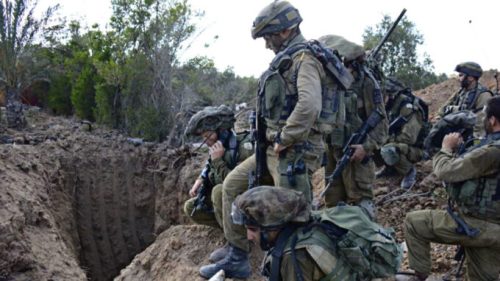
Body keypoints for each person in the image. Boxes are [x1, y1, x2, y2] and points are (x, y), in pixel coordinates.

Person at [199, 1, 334, 278]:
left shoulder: (305, 60)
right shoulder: (287, 60)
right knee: (231, 187)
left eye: (268, 36)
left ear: (285, 31)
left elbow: (310, 105)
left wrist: (286, 136)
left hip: (293, 151)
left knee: (290, 215)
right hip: (272, 150)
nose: (267, 44)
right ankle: (237, 255)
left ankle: (291, 267)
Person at [402, 96, 500, 281]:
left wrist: (446, 149)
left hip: (476, 225)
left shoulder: (492, 151)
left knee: (414, 222)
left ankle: (419, 276)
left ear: (493, 120)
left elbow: (445, 171)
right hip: (494, 231)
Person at [232, 185, 402, 281]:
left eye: (253, 229)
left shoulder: (295, 255)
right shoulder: (308, 223)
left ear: (274, 225)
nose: (249, 236)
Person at [318, 35, 388, 218]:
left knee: (360, 207)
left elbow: (382, 123)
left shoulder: (366, 84)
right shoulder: (329, 85)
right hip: (332, 153)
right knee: (333, 205)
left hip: (356, 156)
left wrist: (366, 147)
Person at [183, 105, 253, 262]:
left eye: (208, 136)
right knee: (191, 208)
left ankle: (236, 241)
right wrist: (199, 181)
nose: (206, 141)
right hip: (228, 204)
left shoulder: (243, 147)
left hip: (245, 202)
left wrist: (218, 161)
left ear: (221, 131)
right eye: (203, 138)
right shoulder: (218, 147)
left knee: (218, 191)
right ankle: (233, 228)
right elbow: (209, 167)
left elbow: (237, 184)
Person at [376, 78, 427, 190]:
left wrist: (387, 140)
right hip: (400, 144)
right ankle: (389, 168)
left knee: (388, 149)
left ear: (391, 94)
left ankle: (409, 171)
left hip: (415, 149)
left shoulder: (408, 108)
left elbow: (409, 138)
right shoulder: (391, 107)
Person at [438, 62, 493, 137]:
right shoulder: (461, 92)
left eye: (461, 75)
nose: (458, 78)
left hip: (471, 137)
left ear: (470, 78)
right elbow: (442, 109)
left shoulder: (483, 95)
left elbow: (480, 125)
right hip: (456, 133)